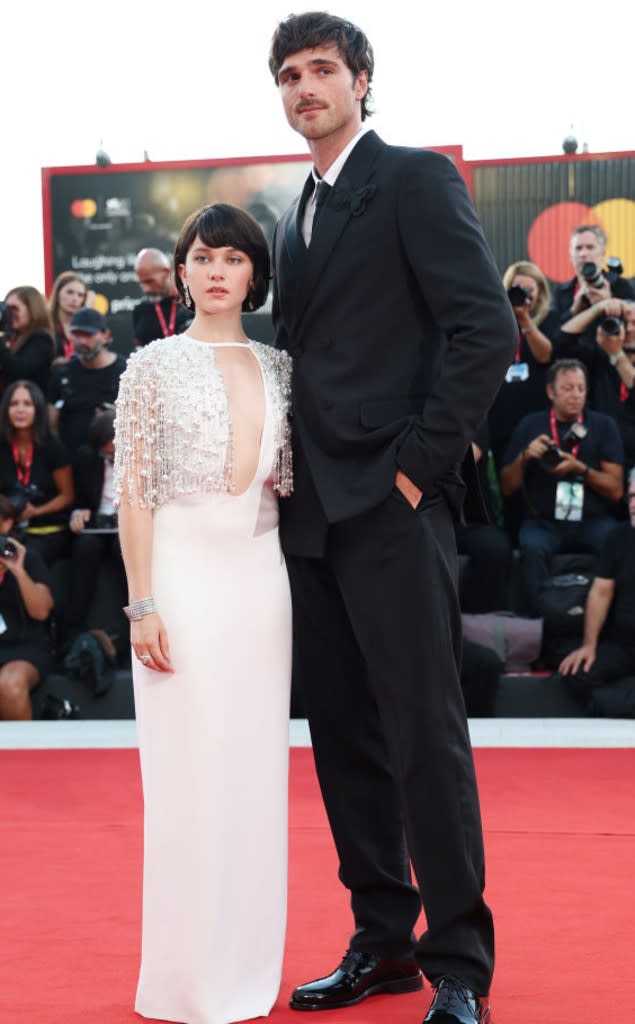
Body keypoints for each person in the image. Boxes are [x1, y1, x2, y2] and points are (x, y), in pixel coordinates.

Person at [268, 13, 516, 1024]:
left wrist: (415, 470)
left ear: (362, 80)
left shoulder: (411, 178)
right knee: (344, 738)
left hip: (390, 502)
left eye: (321, 69)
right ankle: (382, 939)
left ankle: (458, 961)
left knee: (423, 732)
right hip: (311, 515)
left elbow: (481, 325)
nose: (302, 88)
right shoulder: (293, 214)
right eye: (287, 75)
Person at [114, 202, 293, 1024]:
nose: (217, 269)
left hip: (261, 583)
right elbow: (135, 497)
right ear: (181, 272)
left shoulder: (282, 367)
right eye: (202, 256)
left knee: (254, 779)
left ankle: (247, 968)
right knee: (185, 781)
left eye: (233, 257)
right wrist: (142, 601)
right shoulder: (150, 367)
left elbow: (285, 489)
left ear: (253, 274)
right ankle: (186, 980)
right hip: (179, 582)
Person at [500, 359, 624, 615]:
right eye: (567, 388)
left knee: (615, 542)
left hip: (592, 519)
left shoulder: (603, 425)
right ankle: (539, 621)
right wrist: (525, 457)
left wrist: (580, 469)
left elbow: (616, 490)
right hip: (544, 521)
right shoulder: (530, 425)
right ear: (551, 392)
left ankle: (611, 618)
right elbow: (507, 486)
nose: (576, 395)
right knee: (532, 547)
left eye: (581, 388)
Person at [559, 469, 635, 709]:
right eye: (631, 497)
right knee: (577, 673)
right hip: (624, 645)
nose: (633, 504)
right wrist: (589, 646)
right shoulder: (618, 537)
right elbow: (600, 592)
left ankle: (617, 705)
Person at [0, 380, 74, 566]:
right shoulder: (2, 446)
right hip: (7, 527)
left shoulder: (53, 447)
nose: (20, 410)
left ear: (38, 409)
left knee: (27, 557)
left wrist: (34, 512)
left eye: (27, 404)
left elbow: (67, 496)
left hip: (47, 529)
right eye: (14, 404)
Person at [560, 298, 635, 472]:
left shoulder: (611, 353)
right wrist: (598, 308)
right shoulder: (599, 356)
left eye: (634, 323)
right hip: (601, 460)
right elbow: (562, 341)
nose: (629, 329)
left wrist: (616, 355)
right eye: (624, 322)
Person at [0, 494, 54, 720]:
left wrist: (18, 570)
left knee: (10, 685)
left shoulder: (28, 558)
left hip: (25, 648)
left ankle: (21, 755)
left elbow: (41, 611)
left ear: (7, 523)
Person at [48, 307, 126, 454]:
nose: (82, 341)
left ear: (106, 335)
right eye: (77, 334)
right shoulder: (62, 374)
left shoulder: (126, 371)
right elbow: (51, 421)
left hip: (115, 459)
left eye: (88, 334)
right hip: (73, 461)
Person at [552, 224, 635, 328]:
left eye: (590, 247)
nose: (583, 254)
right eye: (578, 248)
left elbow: (631, 329)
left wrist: (609, 302)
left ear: (603, 253)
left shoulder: (621, 285)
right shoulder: (562, 291)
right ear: (571, 256)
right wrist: (573, 311)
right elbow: (554, 336)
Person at [132, 246, 193, 347]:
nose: (145, 289)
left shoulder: (193, 302)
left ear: (165, 272)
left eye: (149, 281)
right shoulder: (141, 310)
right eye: (142, 283)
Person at [0, 286, 56, 394]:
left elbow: (19, 371)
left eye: (14, 308)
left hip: (31, 405)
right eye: (6, 309)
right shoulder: (10, 339)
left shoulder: (42, 339)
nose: (9, 314)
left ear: (33, 310)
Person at [48, 270, 89, 363]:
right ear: (57, 293)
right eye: (70, 292)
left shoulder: (86, 328)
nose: (75, 299)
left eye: (80, 295)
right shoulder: (45, 324)